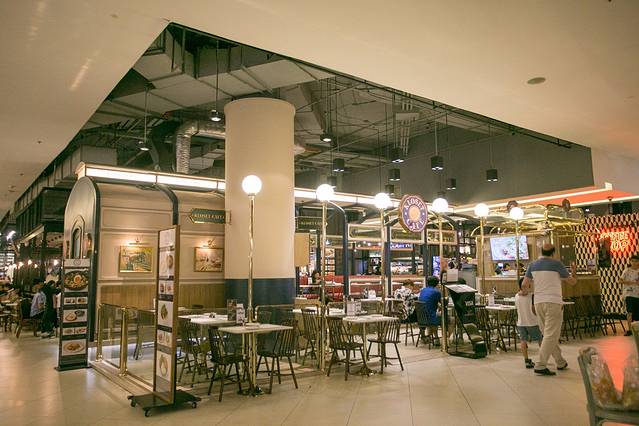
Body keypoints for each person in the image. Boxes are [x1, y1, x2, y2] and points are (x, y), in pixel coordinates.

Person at [522, 243, 576, 376]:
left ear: (541, 252)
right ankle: (540, 365)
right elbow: (572, 282)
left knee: (548, 334)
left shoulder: (532, 265)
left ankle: (560, 361)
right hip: (553, 302)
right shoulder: (557, 264)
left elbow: (524, 284)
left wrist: (525, 293)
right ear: (553, 253)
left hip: (538, 302)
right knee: (551, 334)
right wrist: (573, 271)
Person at [515, 277, 542, 369]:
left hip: (521, 323)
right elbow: (534, 310)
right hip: (532, 322)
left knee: (523, 341)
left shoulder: (516, 296)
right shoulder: (532, 296)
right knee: (540, 340)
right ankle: (543, 359)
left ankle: (526, 360)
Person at [620, 254, 639, 336]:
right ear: (630, 262)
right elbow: (620, 281)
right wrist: (631, 282)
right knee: (629, 312)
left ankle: (636, 329)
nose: (634, 263)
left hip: (637, 294)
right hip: (629, 294)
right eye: (632, 261)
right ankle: (630, 329)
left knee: (637, 313)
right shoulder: (627, 271)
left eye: (636, 261)